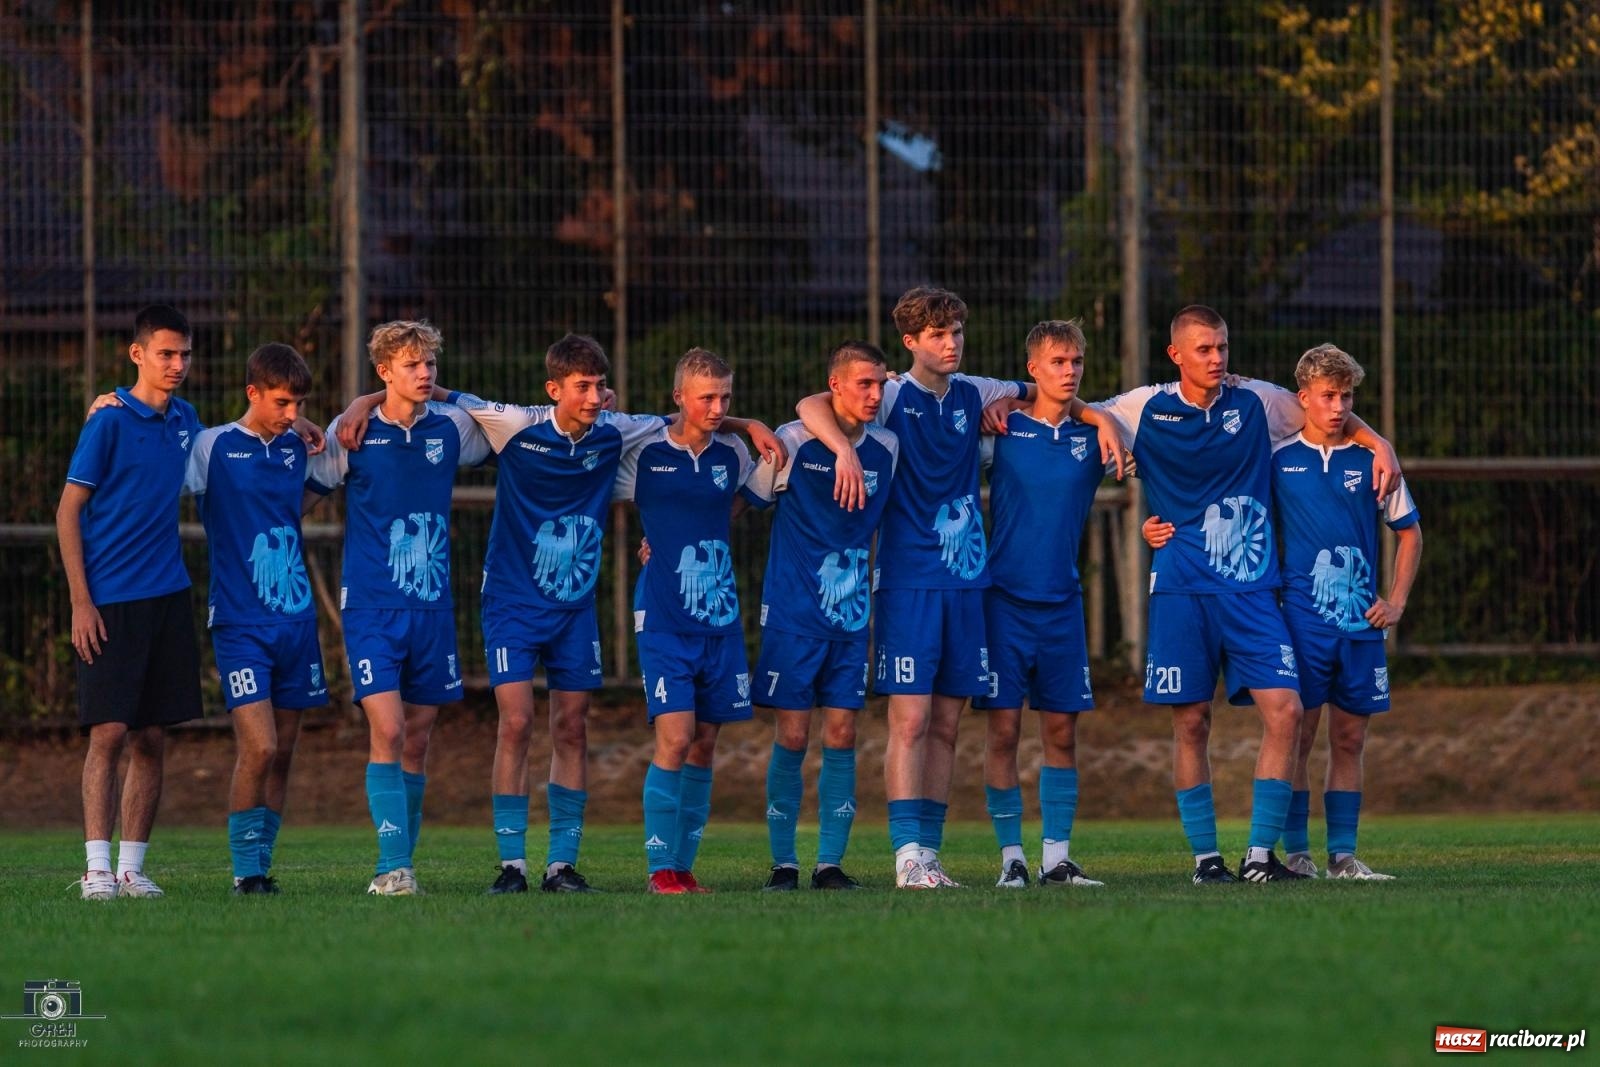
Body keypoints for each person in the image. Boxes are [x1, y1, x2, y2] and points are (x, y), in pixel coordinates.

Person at [1088, 305, 1400, 884]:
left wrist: (1378, 441)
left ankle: (1259, 857)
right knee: (1192, 722)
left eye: (1223, 347)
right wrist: (1100, 424)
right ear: (1175, 355)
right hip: (1181, 587)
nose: (1217, 359)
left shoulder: (1256, 400)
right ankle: (1207, 859)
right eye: (1204, 350)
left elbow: (1327, 411)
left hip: (1255, 590)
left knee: (1285, 711)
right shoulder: (1144, 407)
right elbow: (1078, 412)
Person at [796, 287, 1049, 890]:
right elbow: (810, 403)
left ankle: (929, 856)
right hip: (908, 580)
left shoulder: (974, 392)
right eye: (938, 334)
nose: (952, 342)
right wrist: (843, 453)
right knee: (909, 720)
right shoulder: (888, 399)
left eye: (957, 331)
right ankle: (906, 853)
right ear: (910, 343)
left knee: (946, 724)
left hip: (968, 583)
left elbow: (1049, 391)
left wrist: (1022, 398)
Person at [307, 320, 490, 895]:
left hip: (432, 610)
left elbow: (517, 425)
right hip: (371, 605)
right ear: (385, 371)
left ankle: (400, 863)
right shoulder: (352, 432)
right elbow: (298, 493)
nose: (425, 373)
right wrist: (358, 406)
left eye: (429, 363)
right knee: (386, 728)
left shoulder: (454, 429)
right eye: (412, 365)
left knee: (417, 738)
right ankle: (393, 868)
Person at [58, 305, 205, 900]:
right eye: (166, 353)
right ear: (137, 354)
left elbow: (231, 445)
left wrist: (295, 426)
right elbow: (67, 511)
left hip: (167, 598)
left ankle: (132, 868)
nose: (177, 365)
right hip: (109, 600)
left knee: (152, 737)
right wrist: (80, 602)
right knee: (109, 733)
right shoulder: (109, 421)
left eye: (185, 354)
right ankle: (96, 868)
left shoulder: (187, 419)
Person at [743, 341, 898, 892]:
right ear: (835, 385)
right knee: (791, 734)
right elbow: (746, 501)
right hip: (793, 612)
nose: (875, 395)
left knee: (842, 731)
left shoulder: (887, 446)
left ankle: (829, 863)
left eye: (880, 384)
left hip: (852, 617)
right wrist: (663, 540)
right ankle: (783, 863)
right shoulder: (791, 439)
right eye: (864, 384)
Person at [185, 343, 330, 894]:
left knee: (286, 751)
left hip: (295, 622)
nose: (292, 413)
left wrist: (326, 418)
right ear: (253, 393)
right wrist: (107, 408)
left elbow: (308, 495)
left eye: (300, 404)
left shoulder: (300, 446)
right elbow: (147, 464)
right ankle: (245, 872)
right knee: (261, 747)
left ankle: (262, 867)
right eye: (282, 402)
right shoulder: (211, 447)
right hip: (240, 624)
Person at [616, 348, 760, 894]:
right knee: (674, 737)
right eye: (707, 397)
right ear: (679, 397)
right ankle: (658, 870)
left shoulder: (734, 454)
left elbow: (741, 502)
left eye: (726, 396)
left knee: (705, 742)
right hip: (664, 616)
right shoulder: (644, 451)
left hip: (719, 615)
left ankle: (683, 866)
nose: (719, 407)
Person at [974, 320, 1107, 889]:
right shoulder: (998, 431)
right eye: (1057, 361)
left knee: (1061, 733)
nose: (1069, 371)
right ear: (1033, 368)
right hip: (1003, 602)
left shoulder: (1097, 436)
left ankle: (1056, 860)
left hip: (1062, 606)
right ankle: (1012, 860)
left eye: (1076, 361)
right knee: (1003, 732)